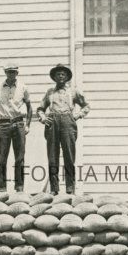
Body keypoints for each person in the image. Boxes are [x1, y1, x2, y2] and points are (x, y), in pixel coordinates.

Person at [36, 64, 90, 195]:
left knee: (69, 156)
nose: (60, 76)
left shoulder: (73, 91)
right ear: (54, 77)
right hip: (53, 122)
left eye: (63, 74)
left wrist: (77, 115)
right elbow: (40, 109)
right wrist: (43, 118)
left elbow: (86, 106)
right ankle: (54, 189)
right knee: (52, 157)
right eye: (58, 74)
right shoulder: (50, 92)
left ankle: (70, 189)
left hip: (67, 122)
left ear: (66, 77)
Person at [0, 64, 31, 192]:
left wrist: (28, 125)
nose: (11, 74)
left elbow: (29, 107)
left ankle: (19, 187)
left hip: (18, 123)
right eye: (9, 72)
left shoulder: (23, 87)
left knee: (20, 158)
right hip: (4, 124)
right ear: (5, 73)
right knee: (2, 158)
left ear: (17, 73)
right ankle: (1, 188)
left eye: (13, 72)